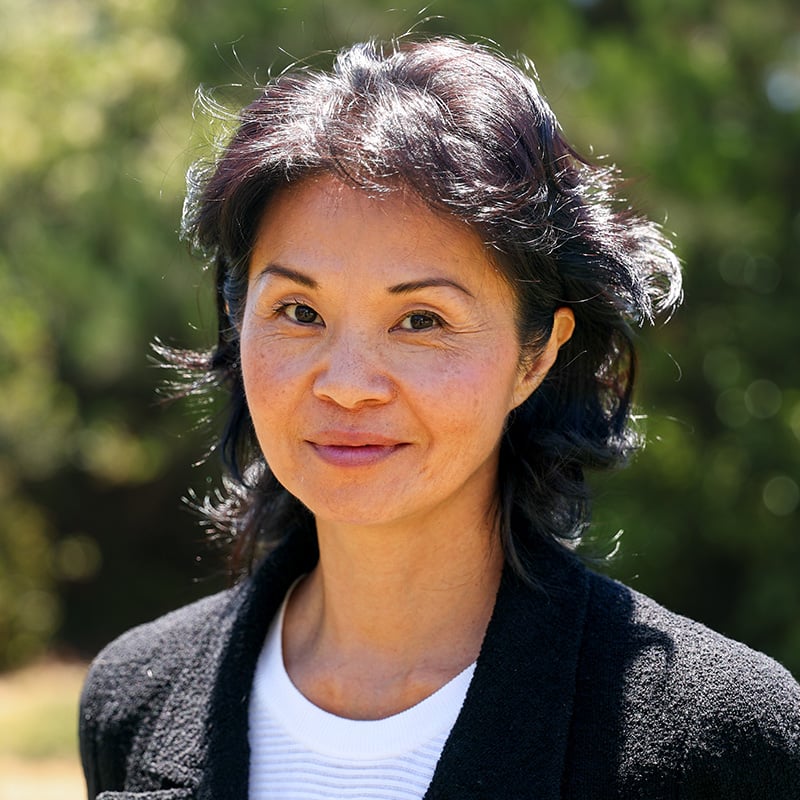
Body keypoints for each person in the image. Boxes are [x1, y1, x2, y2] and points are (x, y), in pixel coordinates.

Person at [79, 36, 800, 799]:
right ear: (237, 323)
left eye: (421, 320)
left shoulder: (722, 736)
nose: (348, 386)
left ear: (536, 356)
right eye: (298, 311)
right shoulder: (133, 699)